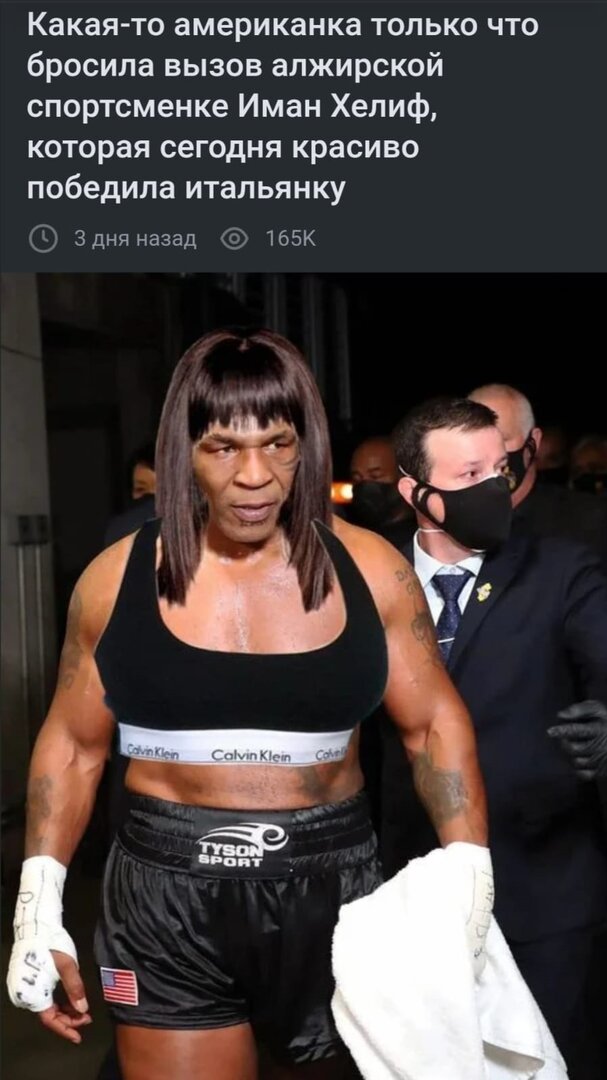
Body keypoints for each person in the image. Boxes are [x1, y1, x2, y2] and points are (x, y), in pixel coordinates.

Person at [7, 330, 490, 1080]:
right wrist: (38, 901)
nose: (255, 476)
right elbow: (74, 745)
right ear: (184, 452)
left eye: (277, 444)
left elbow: (432, 723)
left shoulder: (372, 570)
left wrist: (469, 864)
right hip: (166, 898)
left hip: (333, 888)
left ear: (305, 445)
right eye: (224, 448)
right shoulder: (113, 581)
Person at [380, 395, 607, 1080]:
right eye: (469, 475)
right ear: (414, 494)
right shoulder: (371, 577)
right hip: (409, 892)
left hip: (542, 889)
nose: (495, 489)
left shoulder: (561, 570)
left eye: (499, 470)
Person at [468, 383, 607, 569]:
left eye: (501, 439)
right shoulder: (449, 523)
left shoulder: (592, 522)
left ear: (533, 441)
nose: (486, 453)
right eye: (473, 441)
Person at [348, 435, 415, 549]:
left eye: (375, 476)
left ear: (402, 477)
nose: (365, 485)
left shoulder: (420, 542)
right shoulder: (351, 537)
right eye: (357, 478)